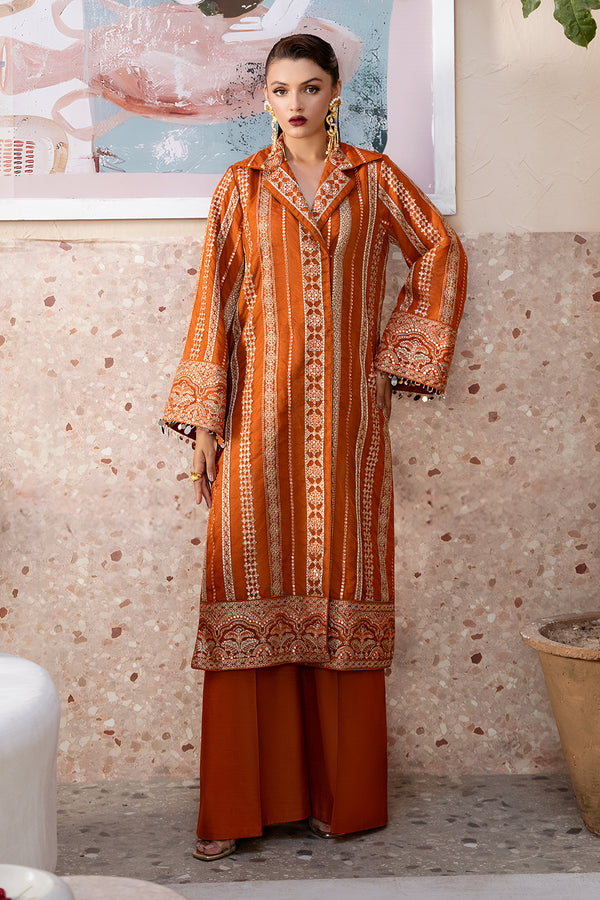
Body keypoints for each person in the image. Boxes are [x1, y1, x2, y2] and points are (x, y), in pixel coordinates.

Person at [162, 33, 468, 861]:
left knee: (342, 584)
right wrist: (205, 426)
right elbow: (213, 301)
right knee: (245, 579)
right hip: (256, 422)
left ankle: (341, 799)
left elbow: (439, 251)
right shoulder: (241, 184)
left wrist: (401, 360)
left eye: (308, 87)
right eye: (278, 89)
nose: (293, 103)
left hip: (347, 429)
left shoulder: (374, 179)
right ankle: (236, 809)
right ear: (263, 97)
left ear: (334, 92)